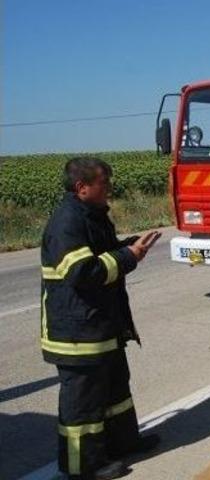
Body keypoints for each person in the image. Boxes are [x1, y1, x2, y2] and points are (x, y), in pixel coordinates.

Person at [41, 157, 162, 480]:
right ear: (82, 188)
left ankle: (124, 443)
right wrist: (127, 256)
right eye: (103, 183)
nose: (109, 188)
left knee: (115, 392)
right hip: (77, 334)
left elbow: (103, 253)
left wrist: (129, 248)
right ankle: (84, 467)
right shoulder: (67, 222)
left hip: (101, 326)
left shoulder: (91, 216)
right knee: (83, 408)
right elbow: (82, 271)